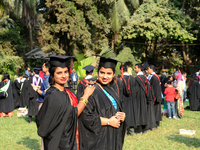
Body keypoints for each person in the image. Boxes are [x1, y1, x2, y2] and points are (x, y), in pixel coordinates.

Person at [36, 56, 95, 150]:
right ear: (52, 74)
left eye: (66, 72)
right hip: (60, 142)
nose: (64, 76)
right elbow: (74, 113)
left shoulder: (62, 91)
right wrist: (86, 95)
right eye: (59, 73)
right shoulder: (56, 96)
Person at [79, 56, 126, 150]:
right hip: (99, 140)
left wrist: (123, 116)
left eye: (109, 73)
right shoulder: (91, 90)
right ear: (97, 73)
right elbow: (86, 117)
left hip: (113, 137)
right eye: (102, 73)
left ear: (114, 75)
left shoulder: (112, 90)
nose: (105, 76)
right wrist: (108, 122)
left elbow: (116, 108)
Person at [134, 63, 156, 133]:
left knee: (139, 113)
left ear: (139, 68)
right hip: (145, 98)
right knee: (144, 112)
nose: (134, 69)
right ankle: (145, 128)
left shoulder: (136, 78)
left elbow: (135, 89)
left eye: (135, 68)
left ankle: (139, 129)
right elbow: (149, 89)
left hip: (138, 98)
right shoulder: (145, 77)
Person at [119, 63, 137, 136]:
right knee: (131, 114)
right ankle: (132, 131)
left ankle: (125, 132)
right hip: (131, 100)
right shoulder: (132, 78)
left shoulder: (120, 79)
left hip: (123, 100)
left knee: (124, 114)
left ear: (121, 70)